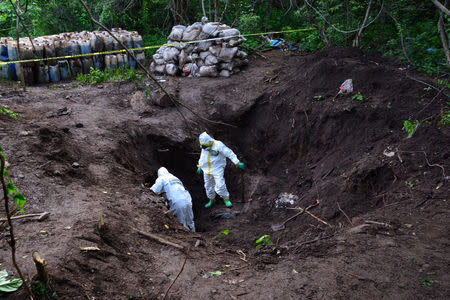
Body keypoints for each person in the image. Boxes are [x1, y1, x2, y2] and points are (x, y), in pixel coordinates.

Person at [196, 132, 245, 208]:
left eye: (205, 146)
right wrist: (200, 166)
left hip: (217, 168)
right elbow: (203, 157)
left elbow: (229, 153)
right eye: (202, 146)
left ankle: (226, 199)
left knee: (220, 185)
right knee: (208, 186)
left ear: (209, 142)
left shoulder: (218, 145)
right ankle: (211, 200)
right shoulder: (204, 147)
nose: (204, 148)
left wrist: (237, 162)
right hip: (206, 169)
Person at [150, 167, 195, 232]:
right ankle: (194, 235)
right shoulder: (175, 178)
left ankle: (186, 240)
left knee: (181, 224)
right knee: (190, 221)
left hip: (177, 202)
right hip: (187, 200)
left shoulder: (161, 178)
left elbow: (153, 191)